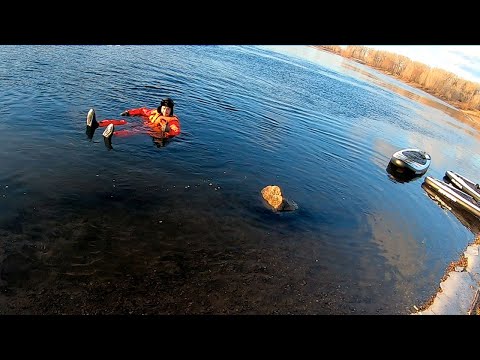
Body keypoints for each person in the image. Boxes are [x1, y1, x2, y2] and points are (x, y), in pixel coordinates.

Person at [85, 97, 181, 150]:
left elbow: (176, 131)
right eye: (164, 108)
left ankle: (112, 134)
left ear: (171, 110)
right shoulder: (155, 112)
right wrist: (129, 112)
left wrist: (168, 129)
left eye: (168, 109)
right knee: (123, 122)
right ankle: (97, 124)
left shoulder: (172, 120)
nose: (165, 111)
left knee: (134, 130)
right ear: (161, 107)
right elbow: (142, 110)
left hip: (152, 131)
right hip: (146, 125)